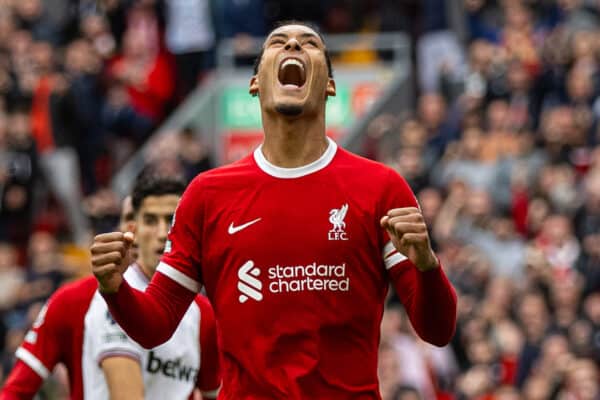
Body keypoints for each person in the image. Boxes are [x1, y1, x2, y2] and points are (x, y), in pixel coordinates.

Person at [92, 21, 457, 399]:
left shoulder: (381, 188)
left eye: (309, 44)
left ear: (329, 85)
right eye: (278, 43)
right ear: (255, 83)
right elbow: (156, 325)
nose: (294, 45)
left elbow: (438, 331)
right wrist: (115, 288)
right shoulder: (207, 195)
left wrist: (428, 266)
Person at [0, 173, 220, 399]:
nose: (163, 234)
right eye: (151, 220)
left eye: (171, 220)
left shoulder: (203, 313)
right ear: (132, 229)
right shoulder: (96, 300)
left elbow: (215, 393)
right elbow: (17, 390)